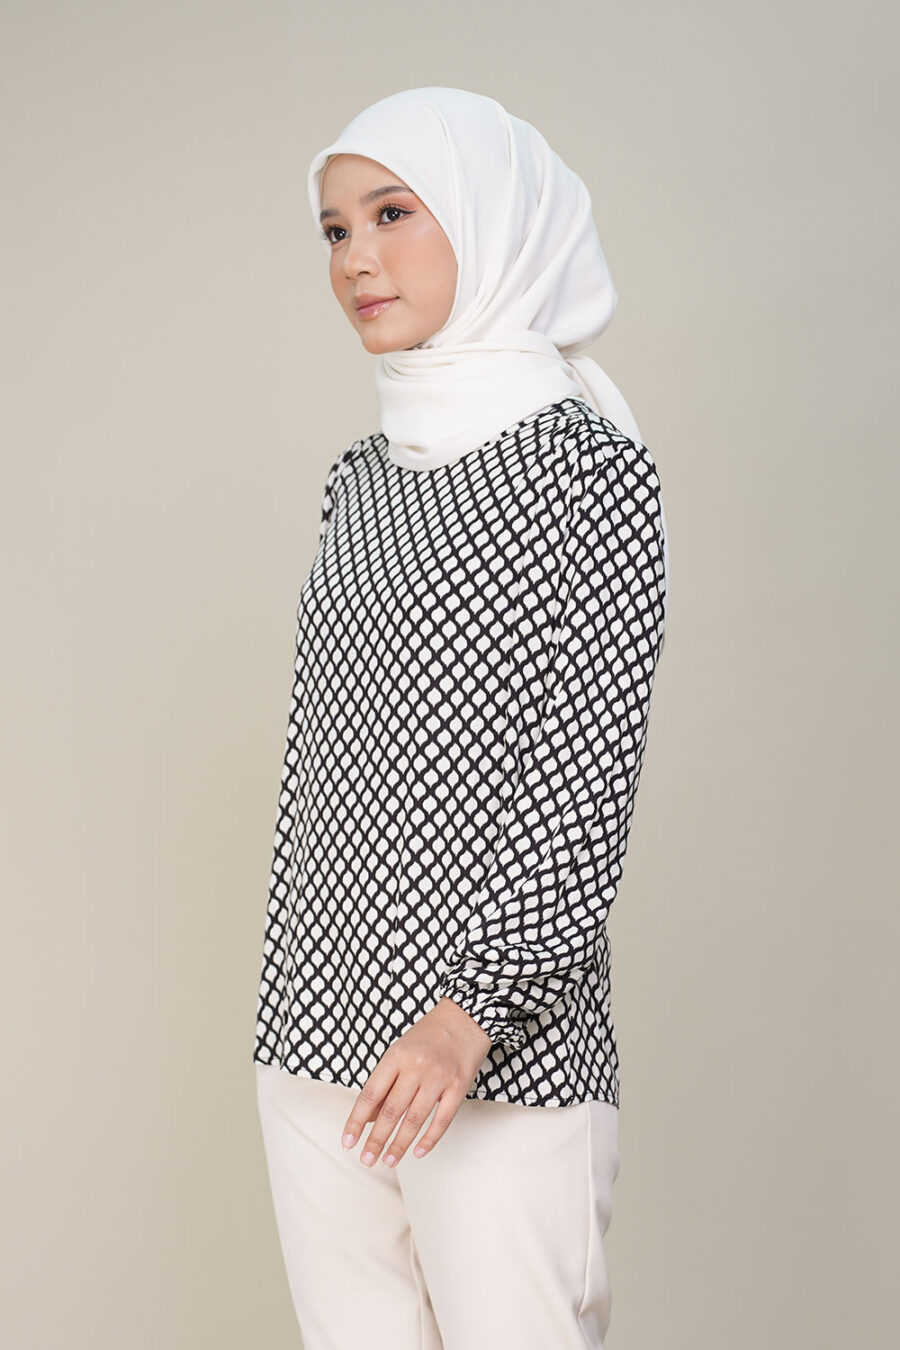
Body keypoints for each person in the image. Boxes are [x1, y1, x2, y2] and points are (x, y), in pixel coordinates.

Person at [251, 85, 670, 1350]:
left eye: (393, 214)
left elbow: (584, 773)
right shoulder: (360, 479)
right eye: (334, 230)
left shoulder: (588, 467)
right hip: (315, 1030)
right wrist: (302, 1004)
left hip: (497, 1053)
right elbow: (329, 767)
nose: (356, 259)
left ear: (493, 219)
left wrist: (468, 1013)